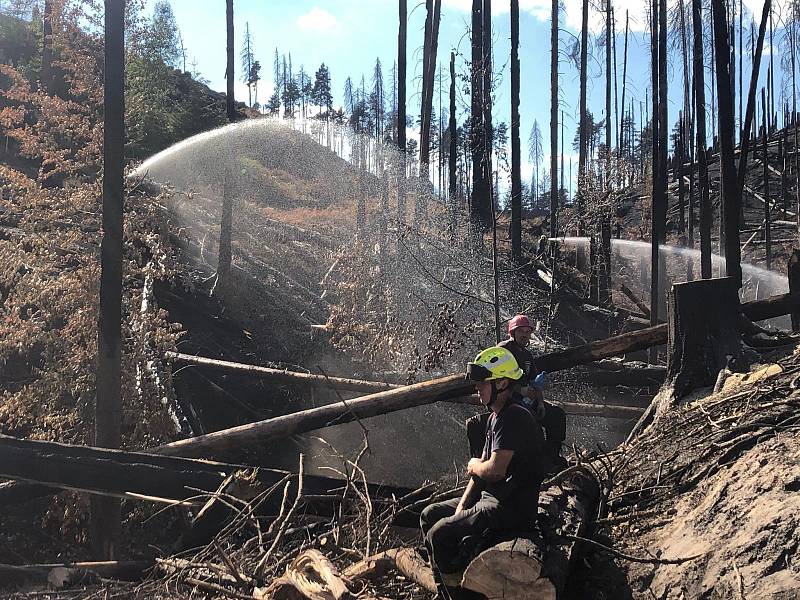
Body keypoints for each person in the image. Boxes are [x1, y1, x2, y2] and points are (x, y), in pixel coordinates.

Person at [420, 347, 545, 599]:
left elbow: (495, 471)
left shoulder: (514, 417)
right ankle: (447, 584)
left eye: (482, 384)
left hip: (511, 508)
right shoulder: (494, 418)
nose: (477, 389)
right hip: (491, 498)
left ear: (501, 382)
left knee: (439, 533)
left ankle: (458, 592)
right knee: (429, 515)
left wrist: (474, 463)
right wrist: (461, 509)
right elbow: (479, 477)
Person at [499, 314, 567, 473]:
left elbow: (534, 380)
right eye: (520, 331)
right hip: (507, 401)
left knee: (556, 414)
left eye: (527, 331)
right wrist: (519, 389)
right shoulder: (503, 350)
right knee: (530, 423)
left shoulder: (527, 355)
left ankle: (551, 458)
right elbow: (498, 377)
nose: (524, 335)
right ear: (512, 332)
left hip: (526, 401)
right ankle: (538, 464)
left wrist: (541, 402)